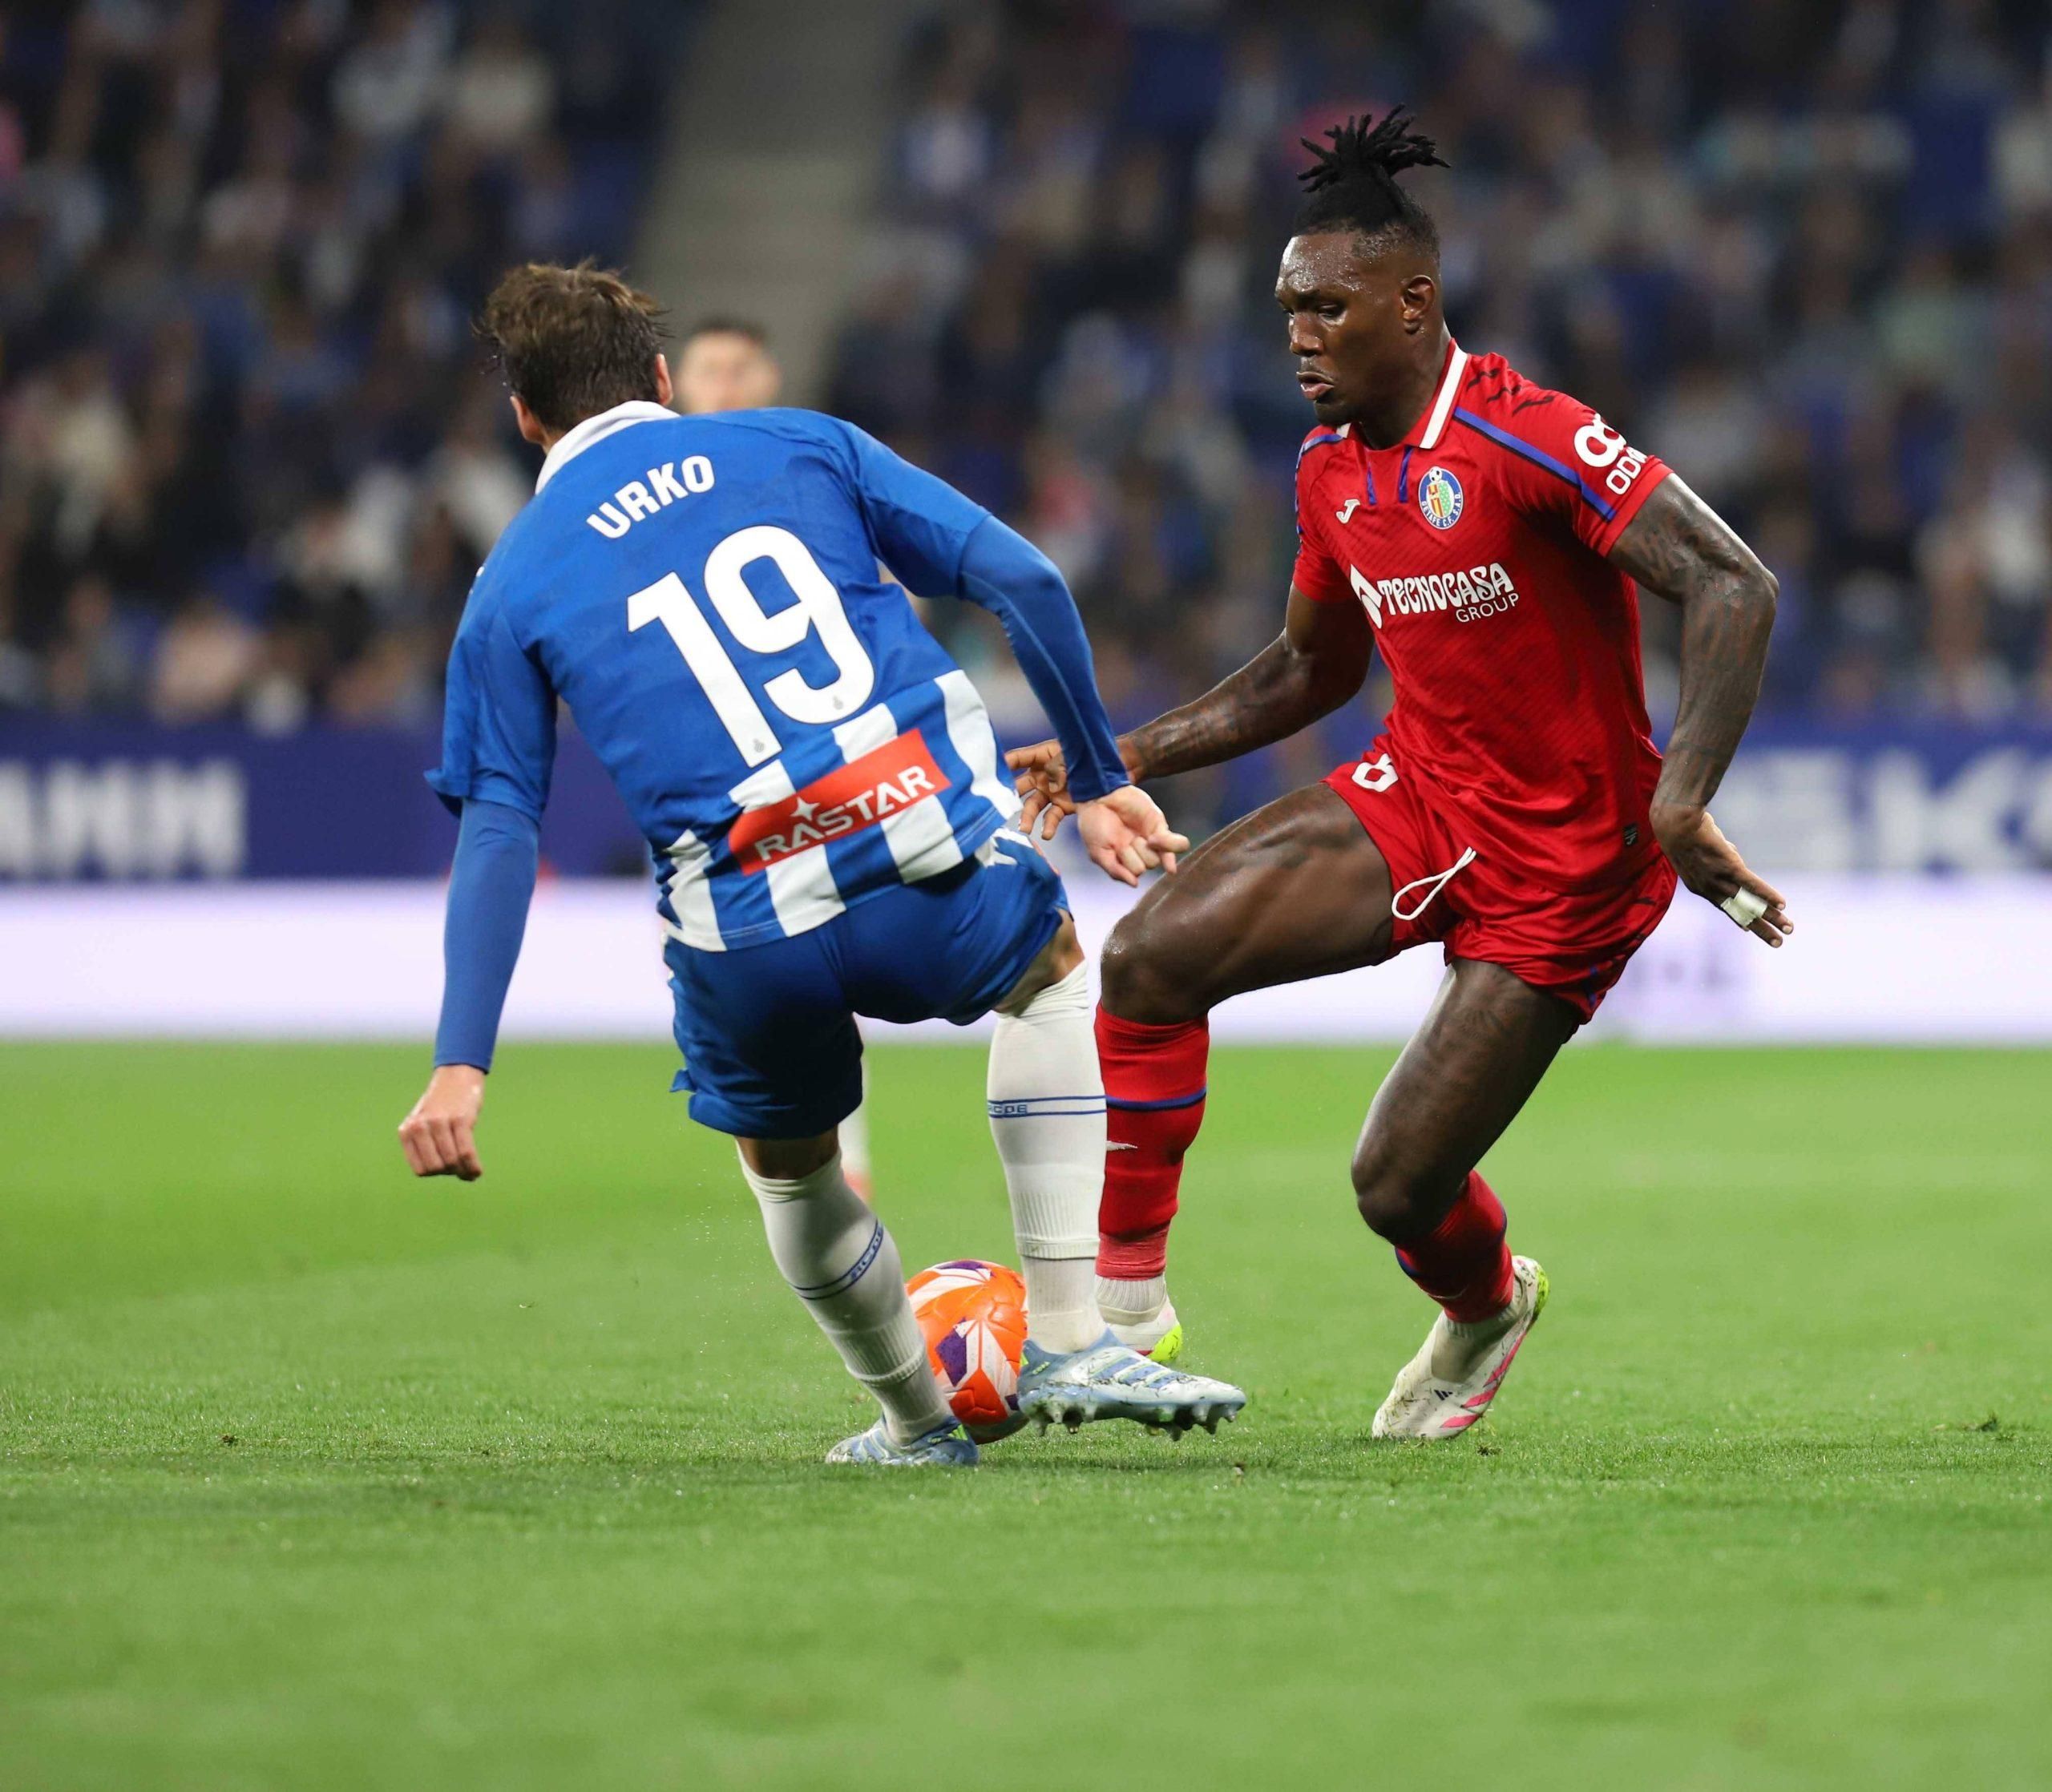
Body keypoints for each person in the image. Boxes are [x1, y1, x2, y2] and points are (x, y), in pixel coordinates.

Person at [1009, 113, 1789, 1439]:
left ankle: (1487, 1305)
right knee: (1148, 959)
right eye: (1287, 309)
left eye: (1327, 306)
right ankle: (1126, 1325)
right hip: (1416, 796)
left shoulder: (1527, 434)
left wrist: (1678, 801)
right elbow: (1307, 673)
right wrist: (1117, 752)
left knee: (1395, 1187)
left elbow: (1735, 583)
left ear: (1413, 302)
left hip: (1570, 860)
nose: (1299, 333)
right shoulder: (1329, 467)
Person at [397, 261, 1245, 1465]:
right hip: (920, 863)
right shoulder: (800, 446)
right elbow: (1026, 579)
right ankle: (1068, 1332)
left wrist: (459, 1066)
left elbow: (497, 825)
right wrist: (1102, 779)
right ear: (657, 377)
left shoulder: (509, 584)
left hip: (747, 935)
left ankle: (913, 1423)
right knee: (1054, 970)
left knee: (791, 1176)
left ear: (526, 417)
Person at [673, 316, 877, 1205]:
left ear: (772, 379)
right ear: (672, 385)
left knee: (832, 957)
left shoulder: (817, 473)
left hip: (835, 762)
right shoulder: (646, 509)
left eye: (740, 366)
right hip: (710, 783)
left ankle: (835, 1171)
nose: (724, 382)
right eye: (707, 368)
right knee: (755, 984)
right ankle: (796, 1172)